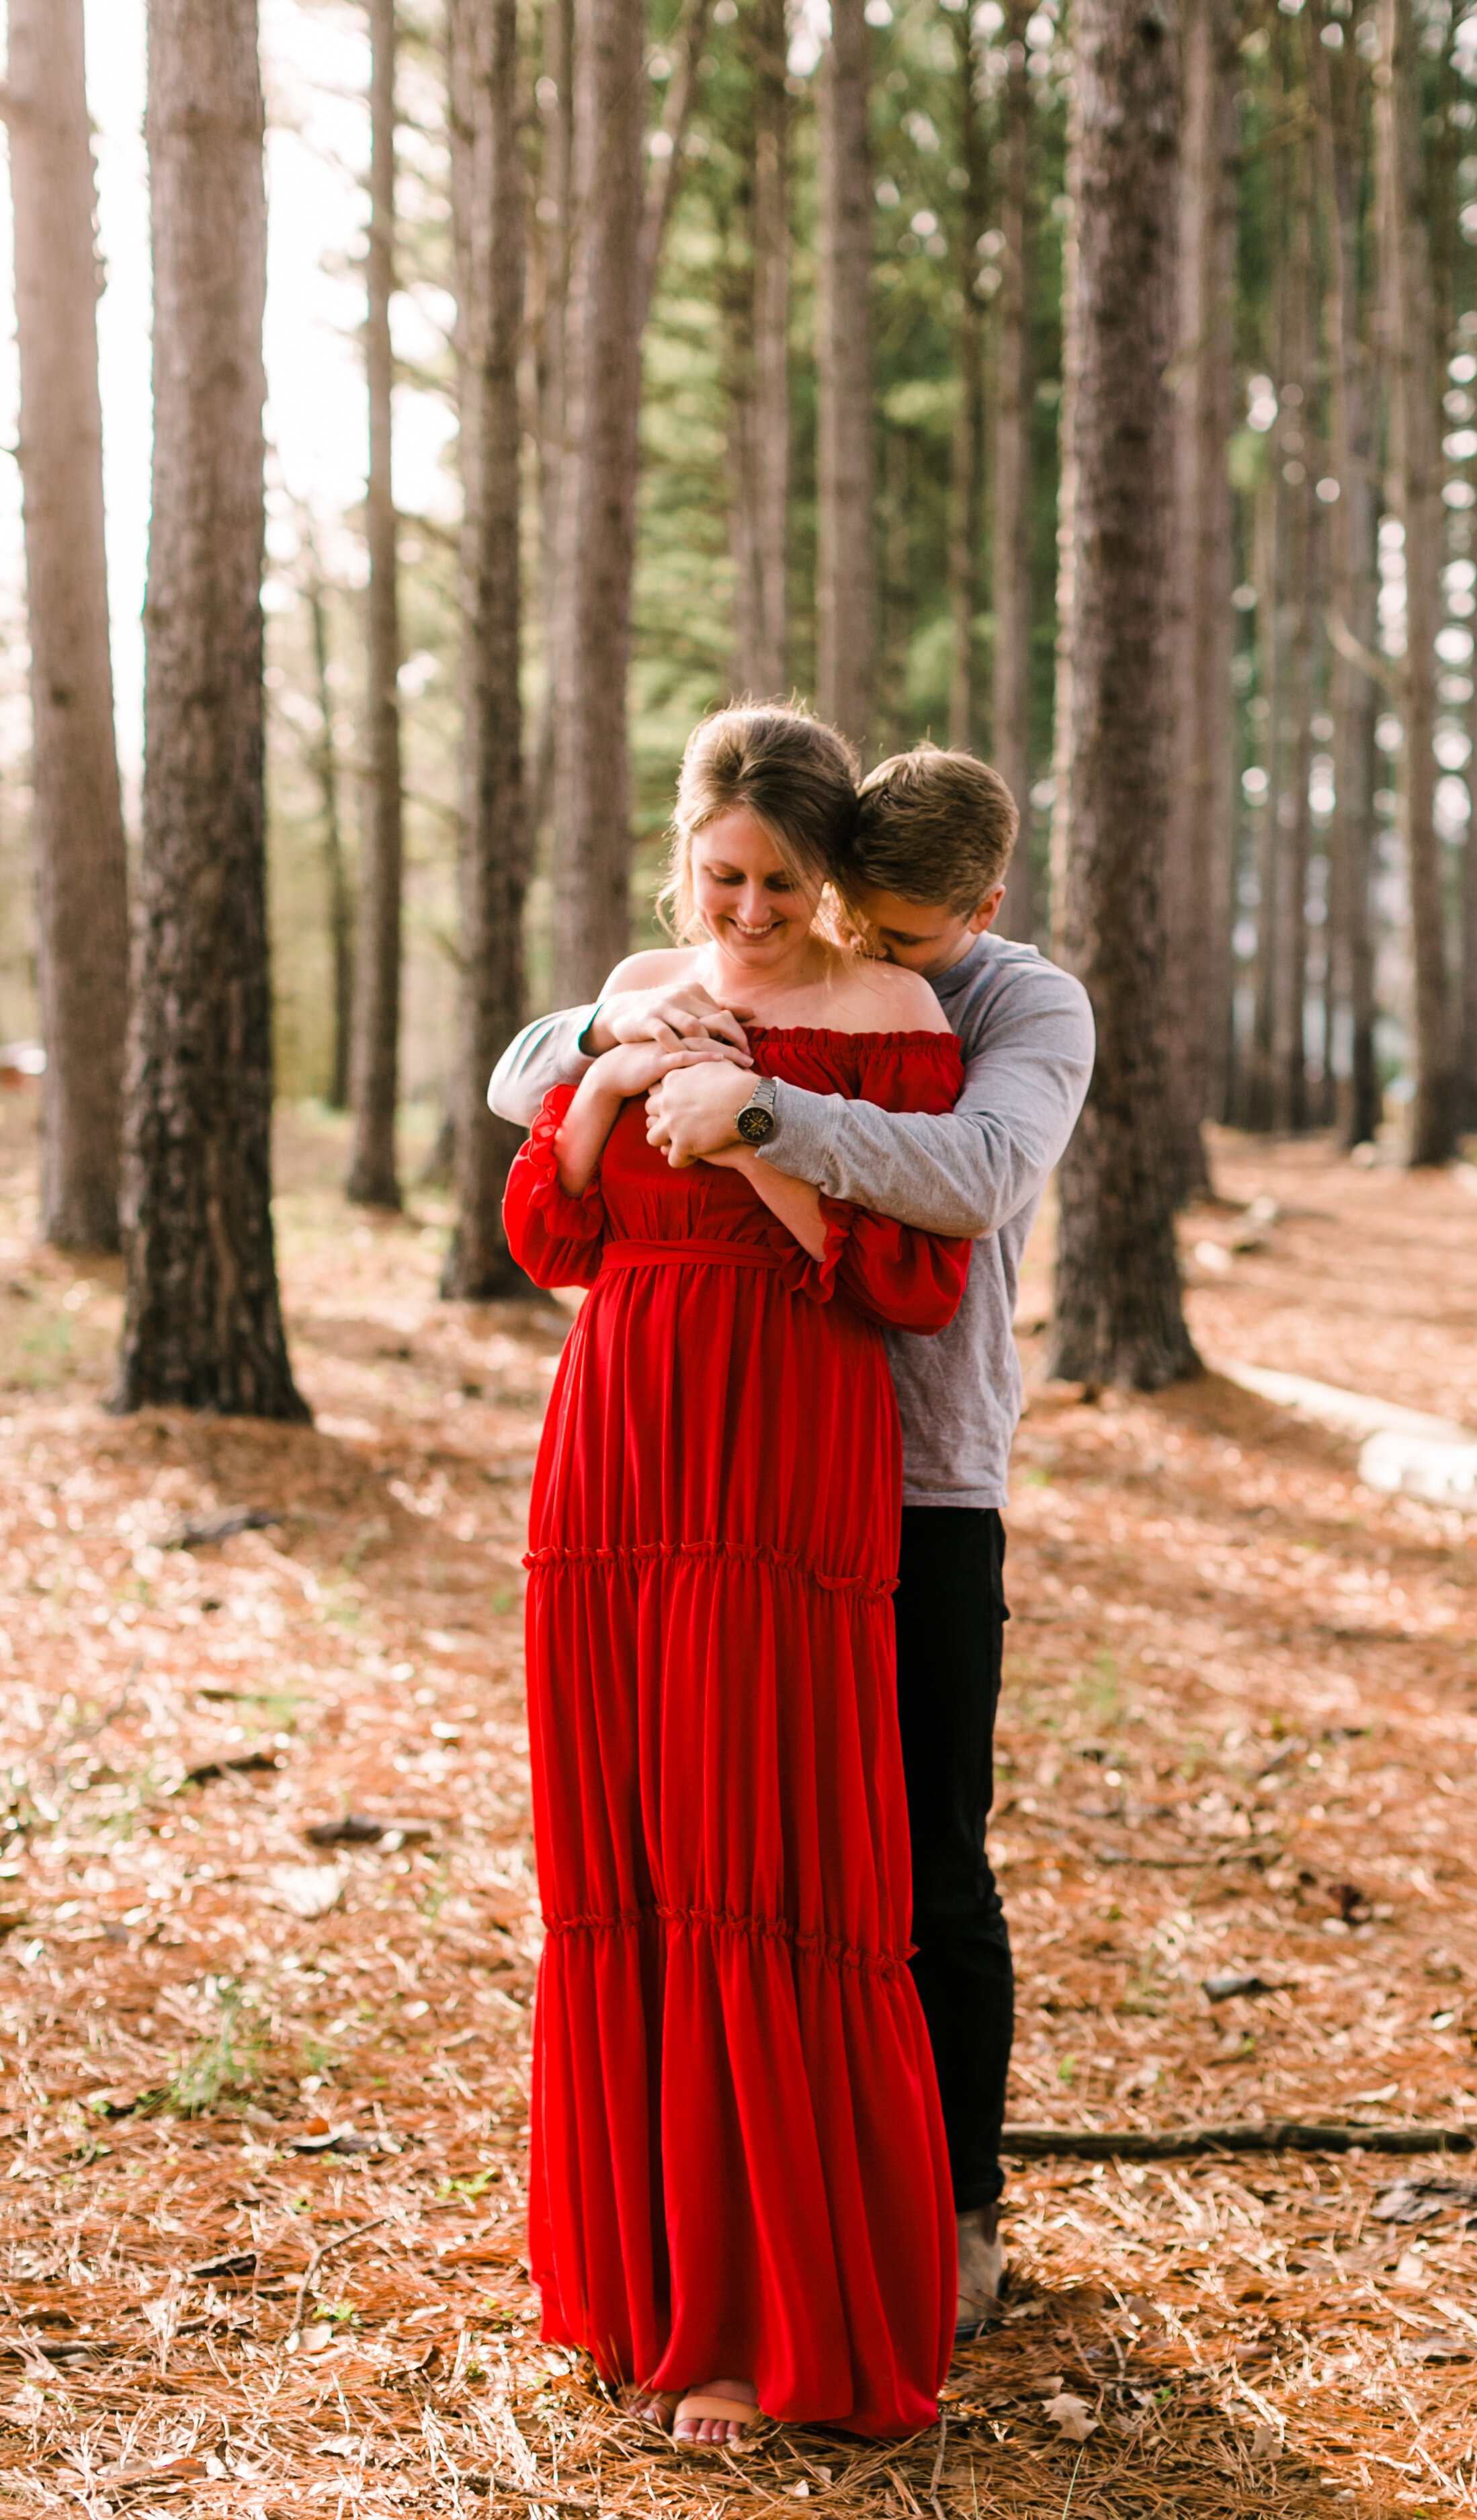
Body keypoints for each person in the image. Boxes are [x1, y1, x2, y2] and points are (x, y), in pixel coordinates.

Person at [493, 742, 1095, 2339]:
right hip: (663, 1460)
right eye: (736, 884)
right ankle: (682, 2229)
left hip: (909, 1471)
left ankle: (946, 2219)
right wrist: (607, 1042)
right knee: (672, 1845)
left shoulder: (1021, 1011)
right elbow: (527, 1104)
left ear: (970, 907)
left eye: (887, 926)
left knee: (914, 1867)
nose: (818, 932)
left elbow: (962, 1185)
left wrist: (758, 1107)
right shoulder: (685, 973)